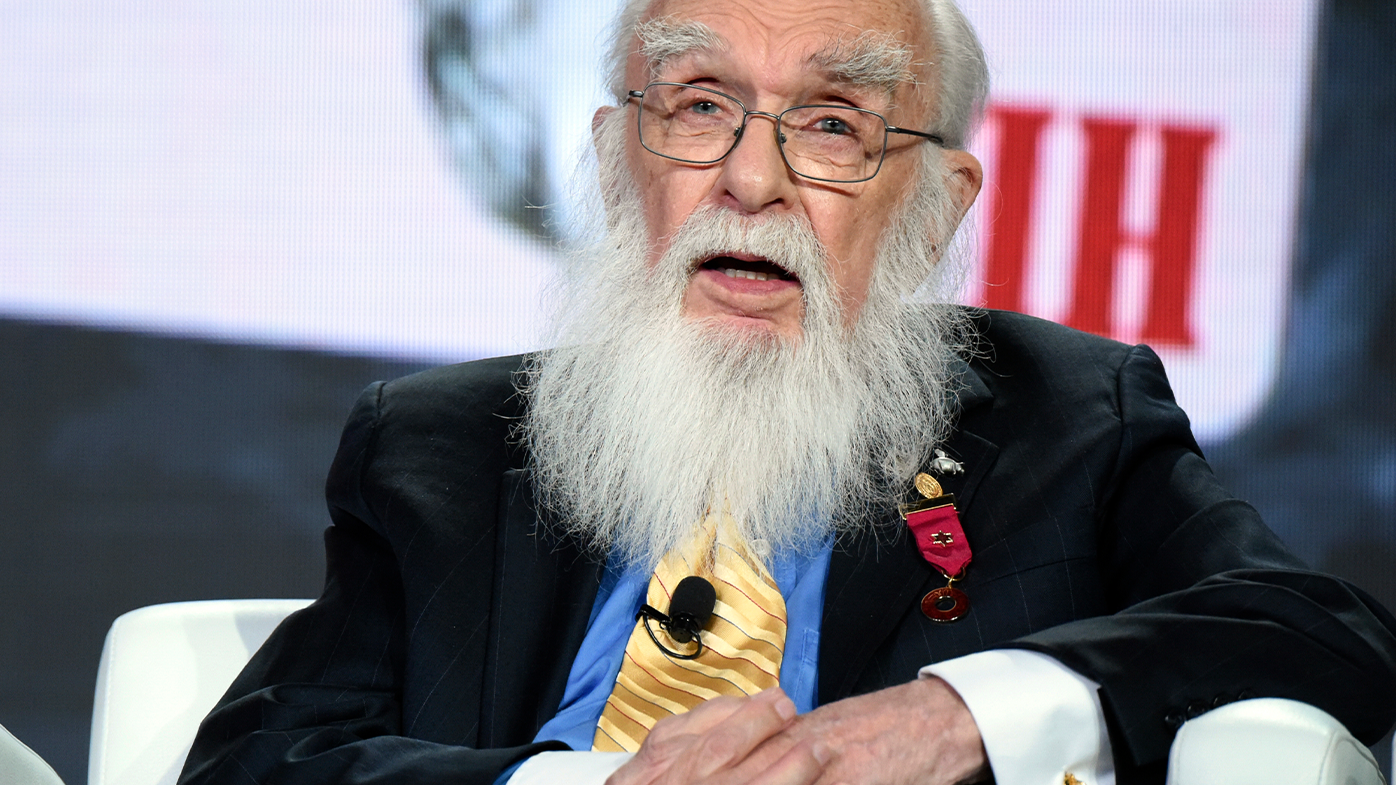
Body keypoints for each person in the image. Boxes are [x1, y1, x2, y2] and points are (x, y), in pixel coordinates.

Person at [179, 0, 1396, 783]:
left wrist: (955, 717)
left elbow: (1319, 626)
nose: (750, 180)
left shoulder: (1066, 414)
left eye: (831, 125)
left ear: (933, 211)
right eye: (700, 107)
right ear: (620, 166)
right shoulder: (438, 444)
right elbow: (260, 759)